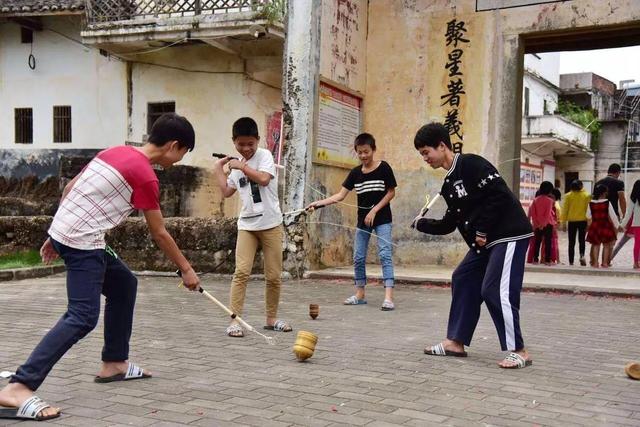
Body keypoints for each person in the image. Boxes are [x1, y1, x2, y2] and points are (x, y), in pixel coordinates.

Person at [0, 113, 200, 421]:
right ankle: (19, 386)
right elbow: (159, 232)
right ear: (174, 146)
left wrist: (56, 234)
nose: (179, 160)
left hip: (72, 232)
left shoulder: (114, 151)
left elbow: (71, 191)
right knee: (82, 316)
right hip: (83, 241)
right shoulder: (146, 175)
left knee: (123, 285)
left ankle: (114, 363)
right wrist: (186, 269)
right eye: (183, 152)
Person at [412, 122, 534, 369]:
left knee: (494, 289)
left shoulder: (472, 164)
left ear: (442, 146)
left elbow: (499, 195)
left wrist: (482, 230)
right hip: (485, 243)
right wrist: (421, 224)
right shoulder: (448, 184)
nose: (425, 158)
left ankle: (519, 350)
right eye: (422, 154)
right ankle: (455, 342)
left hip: (509, 234)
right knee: (463, 277)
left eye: (426, 152)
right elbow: (450, 223)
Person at [213, 117, 291, 338]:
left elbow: (264, 179)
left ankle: (271, 319)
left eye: (250, 144)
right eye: (241, 144)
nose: (246, 148)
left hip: (270, 224)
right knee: (241, 272)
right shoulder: (236, 166)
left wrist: (242, 166)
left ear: (257, 140)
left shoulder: (264, 156)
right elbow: (227, 192)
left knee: (274, 275)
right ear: (234, 142)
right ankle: (234, 321)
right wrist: (219, 169)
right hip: (246, 225)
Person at [307, 133, 398, 310]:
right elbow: (340, 195)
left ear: (373, 150)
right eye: (360, 153)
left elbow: (391, 192)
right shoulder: (355, 173)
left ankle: (388, 298)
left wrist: (374, 210)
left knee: (385, 255)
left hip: (382, 219)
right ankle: (360, 294)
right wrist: (318, 204)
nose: (364, 156)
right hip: (363, 221)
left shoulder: (384, 168)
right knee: (358, 257)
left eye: (366, 152)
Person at [586, 184, 619, 268]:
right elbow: (613, 216)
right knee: (606, 245)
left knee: (596, 245)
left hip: (595, 226)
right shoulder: (607, 202)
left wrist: (589, 226)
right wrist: (617, 226)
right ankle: (604, 263)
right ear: (604, 193)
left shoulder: (590, 203)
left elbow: (588, 216)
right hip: (605, 225)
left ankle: (595, 263)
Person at [561, 180, 591, 266]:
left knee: (571, 241)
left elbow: (565, 210)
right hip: (583, 221)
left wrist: (563, 223)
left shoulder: (568, 196)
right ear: (581, 186)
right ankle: (582, 255)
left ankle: (571, 261)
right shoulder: (586, 195)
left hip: (572, 222)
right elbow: (588, 210)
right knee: (581, 240)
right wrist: (589, 223)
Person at [527, 181, 556, 265]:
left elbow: (533, 213)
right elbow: (547, 215)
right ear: (550, 190)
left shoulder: (535, 200)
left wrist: (537, 224)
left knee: (537, 242)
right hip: (548, 224)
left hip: (537, 225)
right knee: (548, 243)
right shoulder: (550, 201)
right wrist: (543, 225)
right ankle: (547, 260)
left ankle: (535, 259)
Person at [619, 179, 640, 269]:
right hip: (637, 223)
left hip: (637, 223)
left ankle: (636, 262)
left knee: (637, 244)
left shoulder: (633, 199)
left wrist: (622, 225)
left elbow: (628, 214)